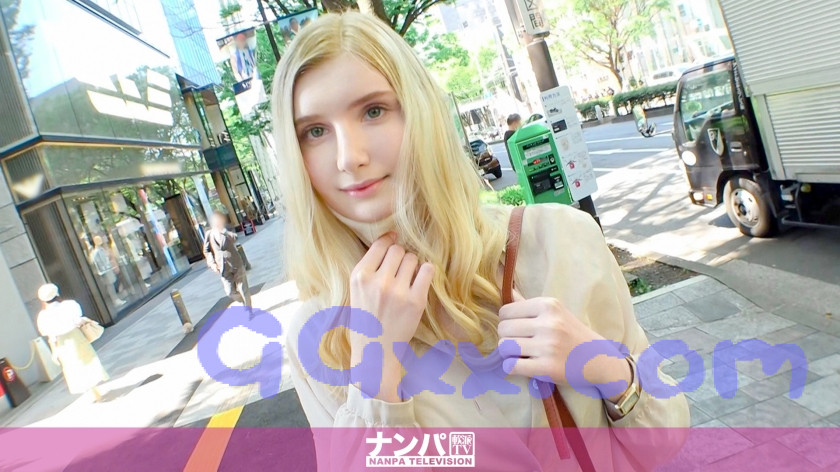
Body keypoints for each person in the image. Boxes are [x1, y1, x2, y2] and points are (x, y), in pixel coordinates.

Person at [272, 12, 689, 471]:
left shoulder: (560, 240)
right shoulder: (322, 336)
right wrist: (376, 373)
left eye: (373, 111)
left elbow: (665, 439)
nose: (349, 157)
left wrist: (603, 367)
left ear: (421, 113)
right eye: (315, 132)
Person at [36, 284, 108, 402]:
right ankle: (94, 389)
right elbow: (78, 320)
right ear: (57, 294)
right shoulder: (69, 305)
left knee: (73, 367)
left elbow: (50, 335)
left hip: (61, 342)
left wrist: (54, 351)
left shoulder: (43, 316)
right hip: (76, 336)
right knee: (88, 360)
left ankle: (90, 391)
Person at [203, 210, 251, 308]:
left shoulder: (227, 229)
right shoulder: (209, 234)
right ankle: (242, 300)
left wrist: (224, 231)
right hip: (223, 267)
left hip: (236, 263)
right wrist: (212, 263)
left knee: (243, 288)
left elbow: (235, 238)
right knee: (229, 292)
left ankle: (248, 310)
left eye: (219, 219)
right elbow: (207, 251)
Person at [89, 235, 125, 307]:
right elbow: (95, 262)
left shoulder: (101, 249)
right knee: (109, 286)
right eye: (98, 240)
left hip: (108, 269)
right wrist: (101, 269)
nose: (100, 241)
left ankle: (116, 299)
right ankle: (115, 300)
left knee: (111, 284)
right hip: (104, 271)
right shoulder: (96, 252)